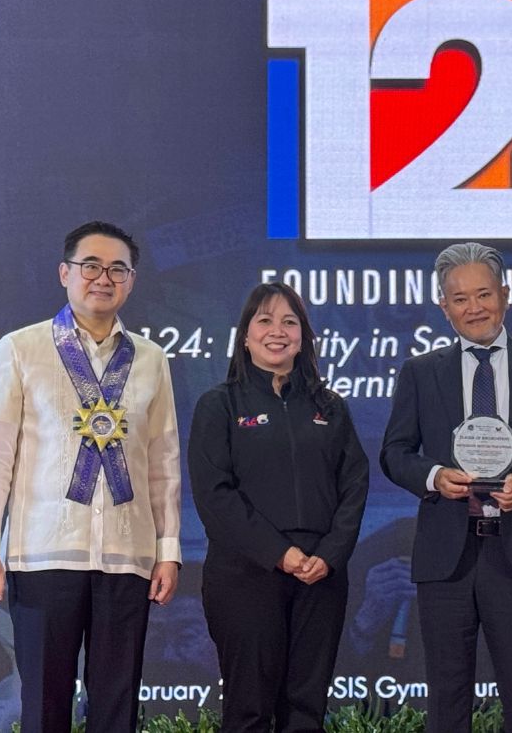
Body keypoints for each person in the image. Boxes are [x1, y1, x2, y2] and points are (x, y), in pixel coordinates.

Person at [0, 220, 182, 732]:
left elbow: (163, 462)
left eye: (117, 269)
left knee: (117, 704)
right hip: (41, 552)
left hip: (128, 555)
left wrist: (168, 550)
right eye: (91, 266)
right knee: (45, 702)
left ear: (131, 281)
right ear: (65, 273)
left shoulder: (151, 359)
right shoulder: (19, 349)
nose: (103, 278)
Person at [380, 242, 512, 733]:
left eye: (484, 294)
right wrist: (434, 476)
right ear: (444, 307)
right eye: (460, 298)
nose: (474, 308)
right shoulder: (420, 372)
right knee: (447, 700)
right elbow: (395, 453)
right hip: (445, 556)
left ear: (505, 296)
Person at [189, 282, 368, 731]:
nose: (278, 331)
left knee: (306, 710)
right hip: (246, 575)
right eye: (265, 320)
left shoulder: (331, 407)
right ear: (245, 336)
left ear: (303, 337)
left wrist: (329, 555)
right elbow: (215, 495)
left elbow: (354, 484)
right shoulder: (219, 404)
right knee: (249, 709)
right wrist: (279, 553)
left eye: (290, 322)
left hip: (320, 576)